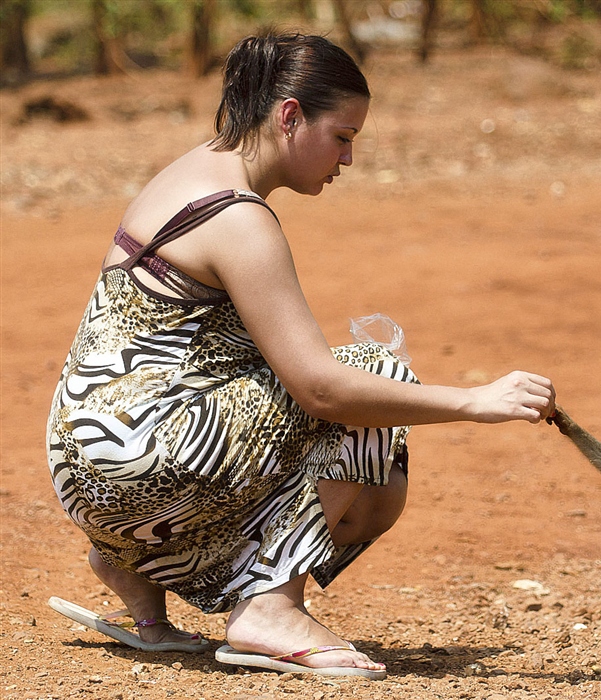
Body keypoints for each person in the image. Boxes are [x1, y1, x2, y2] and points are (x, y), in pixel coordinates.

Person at [46, 32, 556, 680]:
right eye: (343, 135)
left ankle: (130, 570)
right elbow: (320, 390)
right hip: (135, 459)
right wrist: (474, 400)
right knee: (374, 378)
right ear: (289, 116)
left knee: (364, 450)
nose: (349, 157)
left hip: (84, 460)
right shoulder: (238, 217)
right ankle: (270, 606)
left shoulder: (192, 170)